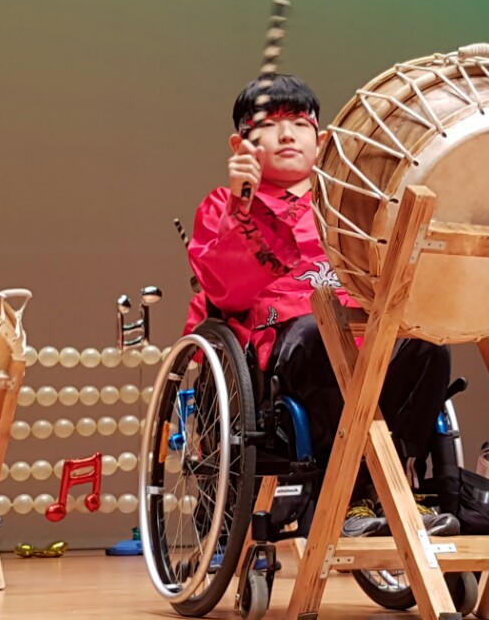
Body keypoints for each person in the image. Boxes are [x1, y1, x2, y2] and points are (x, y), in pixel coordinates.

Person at [184, 73, 456, 536]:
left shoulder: (353, 205)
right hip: (287, 348)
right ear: (240, 144)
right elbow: (226, 292)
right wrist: (243, 209)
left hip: (368, 336)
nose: (286, 134)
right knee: (318, 331)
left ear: (322, 139)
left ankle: (393, 481)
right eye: (267, 125)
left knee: (430, 343)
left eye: (299, 124)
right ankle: (349, 496)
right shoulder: (224, 206)